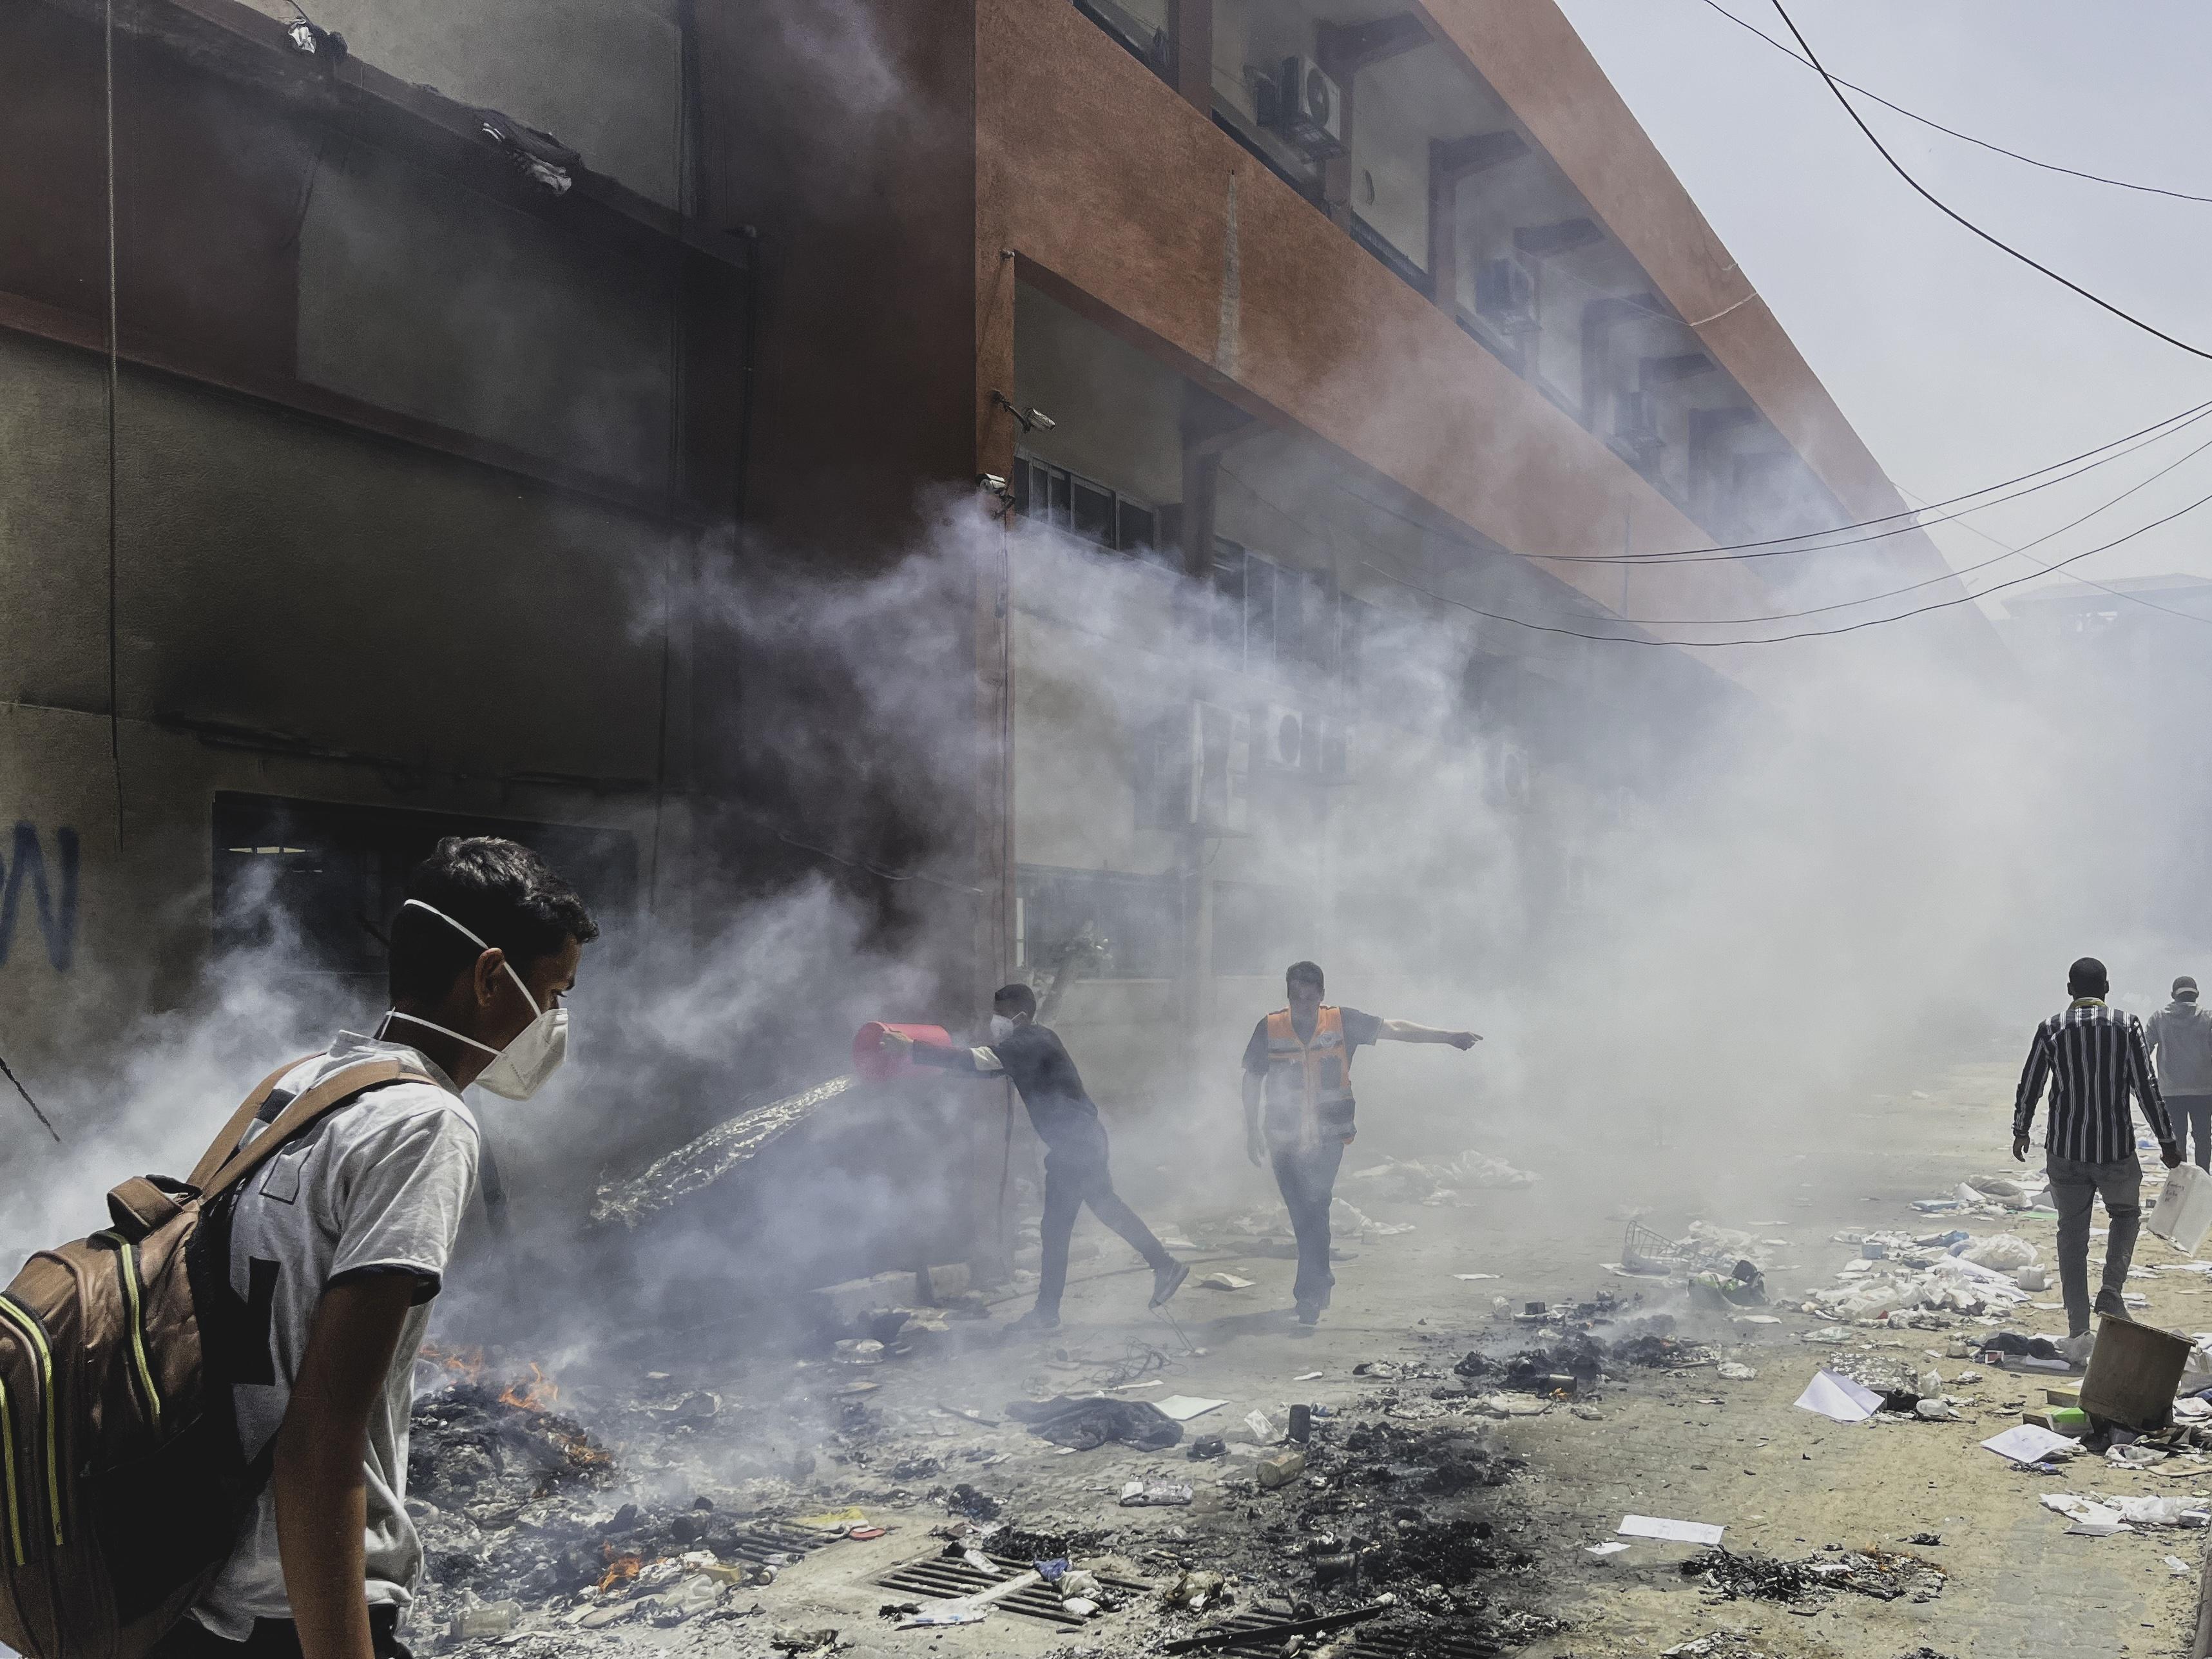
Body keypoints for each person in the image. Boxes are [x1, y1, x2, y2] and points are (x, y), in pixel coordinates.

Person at [159, 837, 597, 1659]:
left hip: (195, 1588)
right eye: (553, 992)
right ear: (489, 976)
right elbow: (322, 1433)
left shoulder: (300, 1086)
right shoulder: (424, 1123)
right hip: (288, 1605)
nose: (556, 1022)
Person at [882, 983, 1186, 1332]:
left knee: (1059, 1228)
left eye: (999, 1015)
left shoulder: (1031, 1040)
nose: (995, 1021)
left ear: (1020, 1015)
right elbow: (990, 1067)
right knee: (1099, 1211)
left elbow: (982, 1059)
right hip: (1081, 1142)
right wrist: (936, 1067)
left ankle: (1050, 1312)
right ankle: (1161, 1265)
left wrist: (914, 1049)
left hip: (1075, 1145)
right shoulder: (1034, 1042)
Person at [1241, 961, 1480, 1325]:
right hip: (1283, 1138)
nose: (1302, 1003)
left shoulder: (1341, 1021)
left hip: (1328, 1137)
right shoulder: (1269, 1028)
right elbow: (1252, 1078)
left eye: (1309, 996)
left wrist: (1449, 1037)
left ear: (1322, 996)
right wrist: (1250, 1128)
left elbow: (1397, 1029)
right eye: (1295, 996)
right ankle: (1320, 1277)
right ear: (1287, 996)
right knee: (1302, 1213)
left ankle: (1308, 1295)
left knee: (1316, 1205)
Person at [2012, 955, 2180, 1363]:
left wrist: (2020, 1129)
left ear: (2070, 990)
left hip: (2066, 1151)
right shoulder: (2126, 1026)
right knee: (2125, 1215)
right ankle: (2111, 1290)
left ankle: (2077, 1328)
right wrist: (2167, 1139)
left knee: (2072, 1237)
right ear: (2105, 989)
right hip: (2116, 1151)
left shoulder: (2052, 1028)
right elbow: (2146, 1085)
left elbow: (2031, 1081)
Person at [2146, 976, 2212, 1171]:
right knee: (2203, 1137)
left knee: (2176, 1138)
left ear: (2173, 995)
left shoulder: (2159, 1018)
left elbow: (2144, 1051)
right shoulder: (2208, 1018)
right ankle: (2204, 1178)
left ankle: (2180, 1181)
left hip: (2171, 1091)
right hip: (2204, 1090)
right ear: (2197, 994)